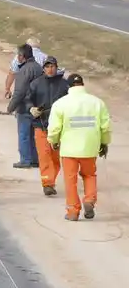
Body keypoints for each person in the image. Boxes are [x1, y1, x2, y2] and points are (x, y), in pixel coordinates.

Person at [47, 74, 111, 221]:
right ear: (82, 85)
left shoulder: (60, 103)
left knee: (70, 180)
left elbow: (54, 128)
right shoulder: (97, 103)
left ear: (68, 87)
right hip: (90, 147)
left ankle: (73, 211)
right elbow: (105, 127)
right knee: (89, 175)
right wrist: (104, 143)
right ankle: (89, 200)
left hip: (69, 150)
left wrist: (53, 141)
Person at [24, 56, 69, 196]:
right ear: (43, 68)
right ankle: (47, 184)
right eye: (47, 66)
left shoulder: (64, 85)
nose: (50, 69)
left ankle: (51, 180)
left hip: (58, 127)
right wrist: (31, 108)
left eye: (52, 66)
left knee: (55, 158)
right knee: (44, 156)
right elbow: (27, 99)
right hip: (40, 124)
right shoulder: (36, 84)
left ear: (56, 67)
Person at [7, 44, 43, 169]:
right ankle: (35, 159)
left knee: (24, 134)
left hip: (25, 107)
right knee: (33, 135)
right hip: (38, 107)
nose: (17, 57)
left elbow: (19, 92)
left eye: (18, 55)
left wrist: (10, 107)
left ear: (22, 56)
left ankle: (25, 160)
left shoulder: (24, 70)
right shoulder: (38, 68)